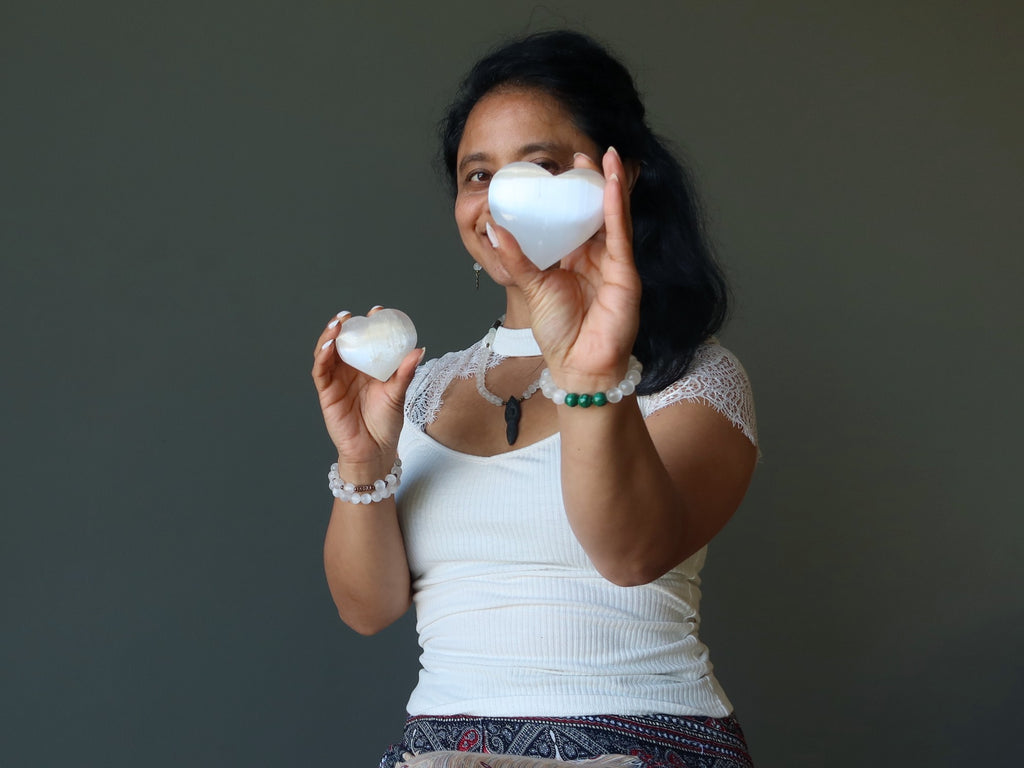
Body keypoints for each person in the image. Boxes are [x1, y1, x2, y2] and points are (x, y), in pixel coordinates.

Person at [311, 30, 759, 768]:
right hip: (441, 753)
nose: (502, 196)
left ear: (623, 179)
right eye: (476, 174)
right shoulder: (419, 387)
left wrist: (587, 370)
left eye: (541, 165)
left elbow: (628, 554)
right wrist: (363, 458)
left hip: (639, 748)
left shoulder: (690, 376)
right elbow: (368, 610)